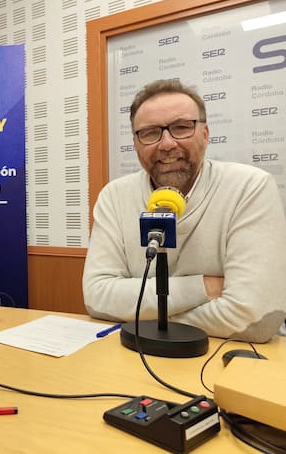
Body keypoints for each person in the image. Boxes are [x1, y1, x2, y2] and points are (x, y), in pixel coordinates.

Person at [82, 79, 286, 343]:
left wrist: (142, 317)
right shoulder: (114, 196)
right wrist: (203, 287)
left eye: (181, 128)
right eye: (150, 133)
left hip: (228, 353)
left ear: (205, 134)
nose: (167, 144)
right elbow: (98, 298)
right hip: (135, 352)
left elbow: (256, 320)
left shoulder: (249, 187)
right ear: (136, 144)